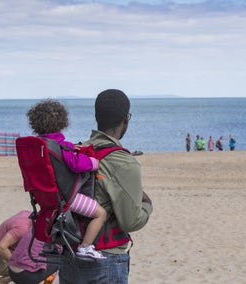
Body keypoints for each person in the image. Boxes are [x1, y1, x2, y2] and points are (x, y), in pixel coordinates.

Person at [58, 89, 153, 283]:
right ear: (126, 119)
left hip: (68, 254)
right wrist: (147, 205)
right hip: (104, 259)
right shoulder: (124, 162)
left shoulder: (76, 152)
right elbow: (131, 221)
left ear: (96, 117)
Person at [27, 99, 106, 260]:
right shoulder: (57, 146)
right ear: (62, 122)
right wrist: (94, 163)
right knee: (100, 214)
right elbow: (76, 165)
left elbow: (57, 150)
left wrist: (68, 146)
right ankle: (85, 247)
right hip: (67, 198)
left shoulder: (40, 145)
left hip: (45, 198)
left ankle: (49, 245)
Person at [0, 210, 32, 284]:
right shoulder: (22, 228)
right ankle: (2, 281)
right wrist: (17, 266)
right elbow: (1, 248)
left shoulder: (27, 213)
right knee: (31, 269)